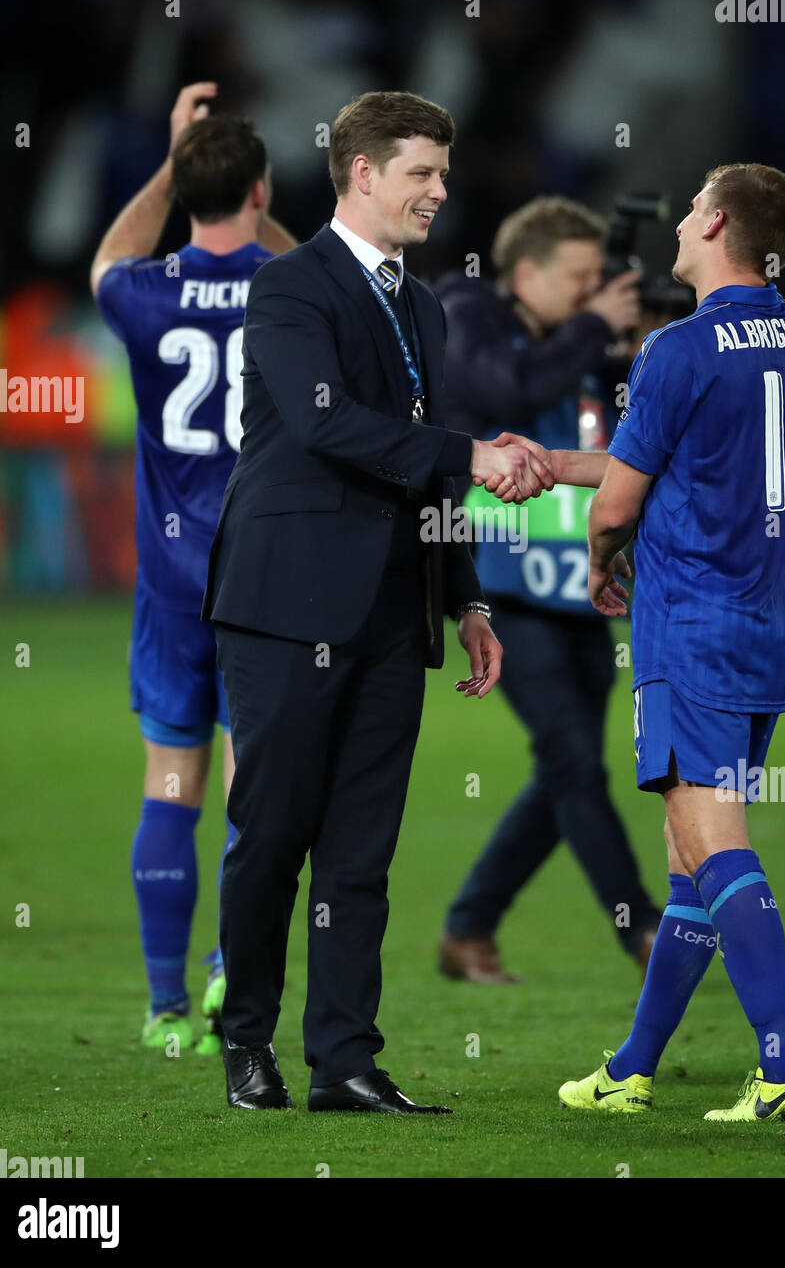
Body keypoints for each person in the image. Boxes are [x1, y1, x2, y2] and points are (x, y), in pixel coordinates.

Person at [202, 90, 551, 1114]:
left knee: (360, 853)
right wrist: (472, 453)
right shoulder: (287, 289)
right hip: (284, 605)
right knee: (271, 836)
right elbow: (329, 428)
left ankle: (344, 1060)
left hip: (395, 611)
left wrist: (469, 599)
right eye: (421, 174)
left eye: (442, 175)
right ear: (362, 173)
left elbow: (429, 472)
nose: (440, 192)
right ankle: (247, 1044)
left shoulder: (424, 303)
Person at [492, 163, 785, 1122]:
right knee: (688, 864)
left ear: (717, 221)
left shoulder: (679, 348)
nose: (678, 221)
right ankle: (632, 1068)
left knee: (715, 844)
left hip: (692, 625)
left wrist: (602, 557)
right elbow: (674, 454)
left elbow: (625, 500)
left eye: (691, 207)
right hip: (768, 621)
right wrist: (558, 461)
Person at [91, 83, 297, 1056]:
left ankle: (166, 1008)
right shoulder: (292, 289)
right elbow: (329, 266)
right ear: (260, 189)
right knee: (247, 789)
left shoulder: (141, 292)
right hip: (264, 577)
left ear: (185, 190)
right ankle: (231, 979)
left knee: (168, 785)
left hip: (172, 584)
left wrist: (177, 162)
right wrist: (232, 182)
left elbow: (106, 258)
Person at [436, 197, 664, 983]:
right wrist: (598, 326)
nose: (594, 293)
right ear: (525, 272)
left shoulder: (577, 342)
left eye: (601, 280)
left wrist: (627, 346)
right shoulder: (464, 307)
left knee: (565, 773)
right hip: (501, 586)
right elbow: (502, 391)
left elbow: (623, 425)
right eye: (579, 278)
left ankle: (468, 928)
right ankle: (643, 929)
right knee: (571, 762)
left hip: (577, 587)